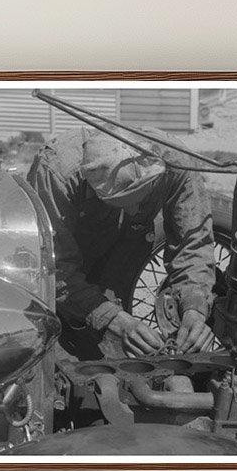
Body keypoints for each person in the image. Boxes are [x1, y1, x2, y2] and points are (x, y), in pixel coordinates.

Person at [28, 127, 215, 359]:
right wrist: (110, 318)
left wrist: (194, 306)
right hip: (76, 243)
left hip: (131, 241)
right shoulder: (56, 173)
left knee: (115, 350)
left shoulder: (177, 162)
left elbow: (193, 242)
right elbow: (53, 267)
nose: (134, 211)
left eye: (140, 200)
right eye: (122, 204)